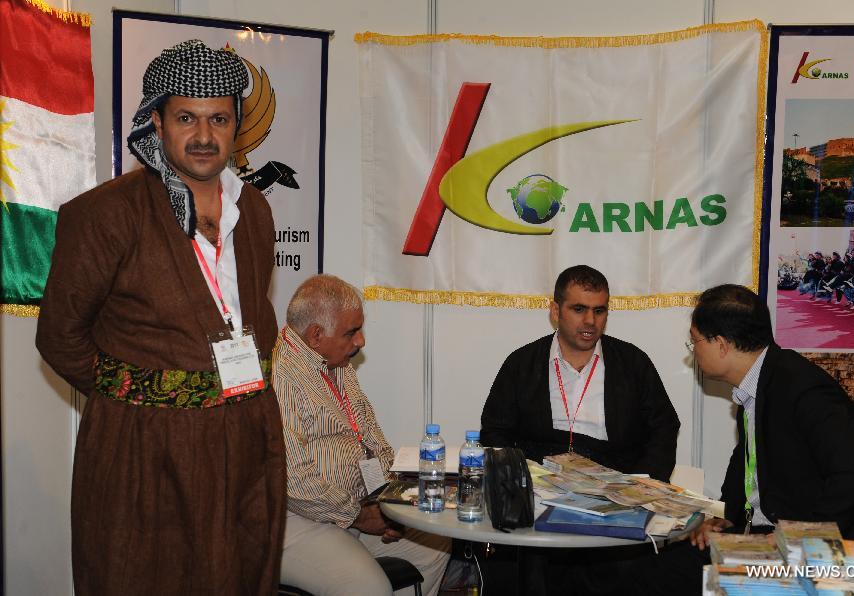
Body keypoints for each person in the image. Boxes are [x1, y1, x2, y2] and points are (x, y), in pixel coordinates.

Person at [35, 40, 286, 594]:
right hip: (144, 448)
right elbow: (59, 337)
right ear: (157, 120)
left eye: (219, 118)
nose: (203, 135)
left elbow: (250, 314)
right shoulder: (105, 214)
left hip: (245, 436)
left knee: (239, 573)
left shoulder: (256, 209)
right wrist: (143, 394)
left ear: (237, 125)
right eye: (186, 118)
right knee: (139, 573)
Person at [626, 284, 854, 595]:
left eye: (694, 342)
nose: (693, 351)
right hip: (768, 536)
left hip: (823, 554)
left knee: (663, 575)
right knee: (650, 566)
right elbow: (747, 467)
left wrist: (791, 539)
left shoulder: (803, 388)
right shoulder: (756, 387)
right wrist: (725, 519)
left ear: (721, 344)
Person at [274, 274, 450, 596]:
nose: (361, 341)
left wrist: (390, 501)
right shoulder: (280, 376)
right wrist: (358, 516)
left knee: (436, 543)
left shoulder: (336, 362)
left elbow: (369, 433)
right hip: (297, 520)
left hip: (356, 510)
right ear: (315, 335)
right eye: (352, 332)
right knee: (367, 587)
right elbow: (293, 480)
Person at [480, 265, 680, 481]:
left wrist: (640, 486)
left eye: (599, 311)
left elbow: (663, 430)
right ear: (556, 311)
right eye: (578, 309)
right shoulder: (522, 363)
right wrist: (516, 479)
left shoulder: (633, 363)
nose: (590, 321)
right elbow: (495, 432)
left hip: (616, 484)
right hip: (539, 483)